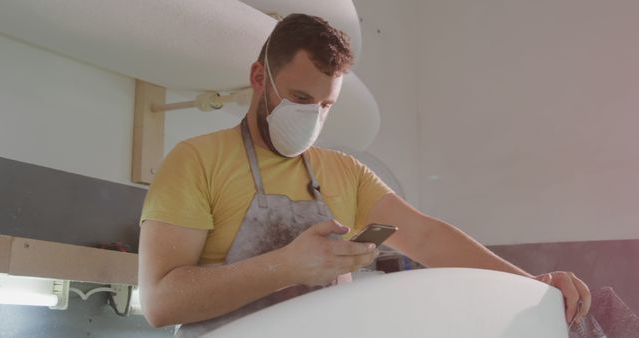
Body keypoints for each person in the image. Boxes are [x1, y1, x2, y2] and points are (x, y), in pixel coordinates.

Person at [138, 13, 591, 336]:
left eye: (325, 106)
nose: (311, 116)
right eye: (298, 97)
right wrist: (285, 267)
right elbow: (161, 302)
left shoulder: (345, 173)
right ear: (259, 77)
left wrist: (531, 286)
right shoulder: (196, 161)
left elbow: (428, 239)